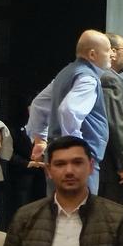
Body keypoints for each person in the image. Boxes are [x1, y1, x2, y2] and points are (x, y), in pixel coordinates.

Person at [24, 30, 112, 196]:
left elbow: (38, 104)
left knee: (57, 207)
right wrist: (76, 150)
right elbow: (69, 110)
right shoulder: (88, 78)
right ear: (92, 54)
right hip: (78, 164)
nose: (112, 55)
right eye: (108, 50)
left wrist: (39, 140)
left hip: (56, 157)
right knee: (82, 208)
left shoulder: (65, 73)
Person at [95, 33, 123, 206]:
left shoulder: (103, 77)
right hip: (110, 168)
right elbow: (115, 123)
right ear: (113, 52)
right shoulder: (109, 79)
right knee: (110, 215)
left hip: (105, 166)